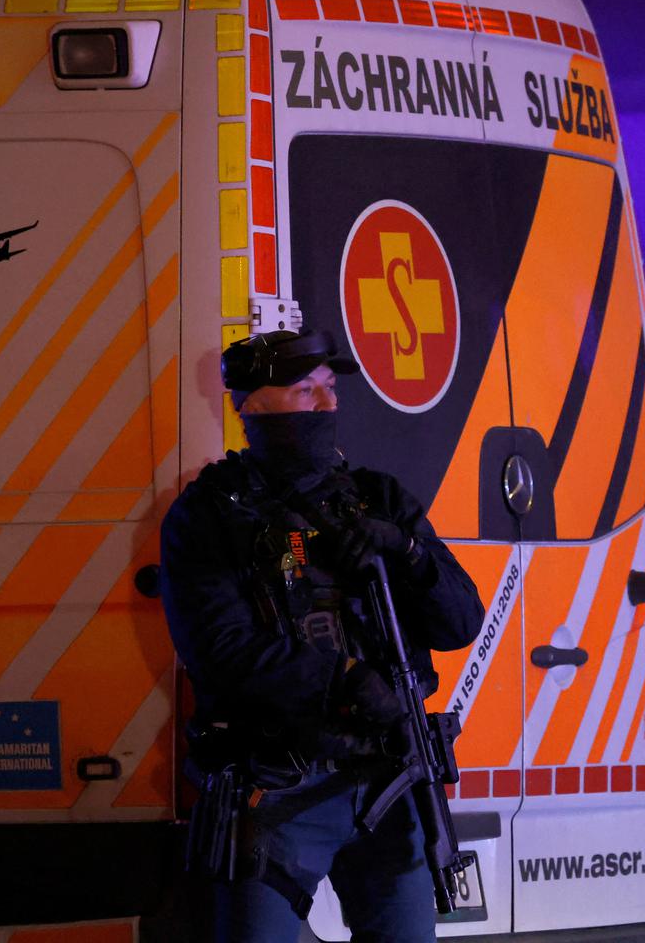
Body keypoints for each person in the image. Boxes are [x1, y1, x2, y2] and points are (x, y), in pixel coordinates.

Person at [159, 328, 485, 943]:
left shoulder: (377, 498)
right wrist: (341, 678)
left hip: (388, 778)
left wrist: (409, 551)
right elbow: (219, 650)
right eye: (304, 391)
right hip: (279, 784)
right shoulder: (209, 514)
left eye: (329, 390)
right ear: (252, 405)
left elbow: (461, 621)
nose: (325, 405)